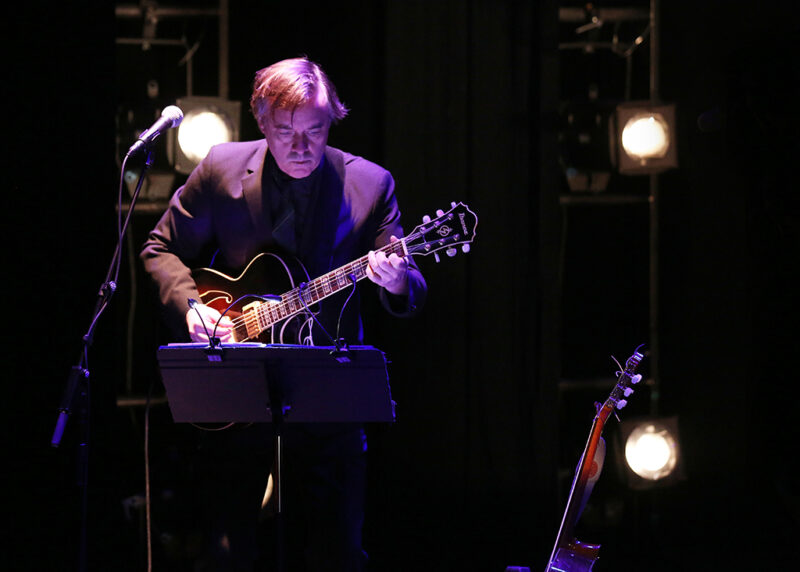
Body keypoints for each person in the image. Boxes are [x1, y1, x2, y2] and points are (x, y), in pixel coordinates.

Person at [140, 56, 427, 571]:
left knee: (337, 552)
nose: (301, 147)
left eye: (315, 131)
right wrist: (191, 309)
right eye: (286, 131)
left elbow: (409, 280)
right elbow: (160, 249)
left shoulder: (370, 185)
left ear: (331, 121)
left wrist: (398, 279)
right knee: (227, 550)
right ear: (263, 122)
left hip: (328, 398)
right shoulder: (221, 168)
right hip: (237, 392)